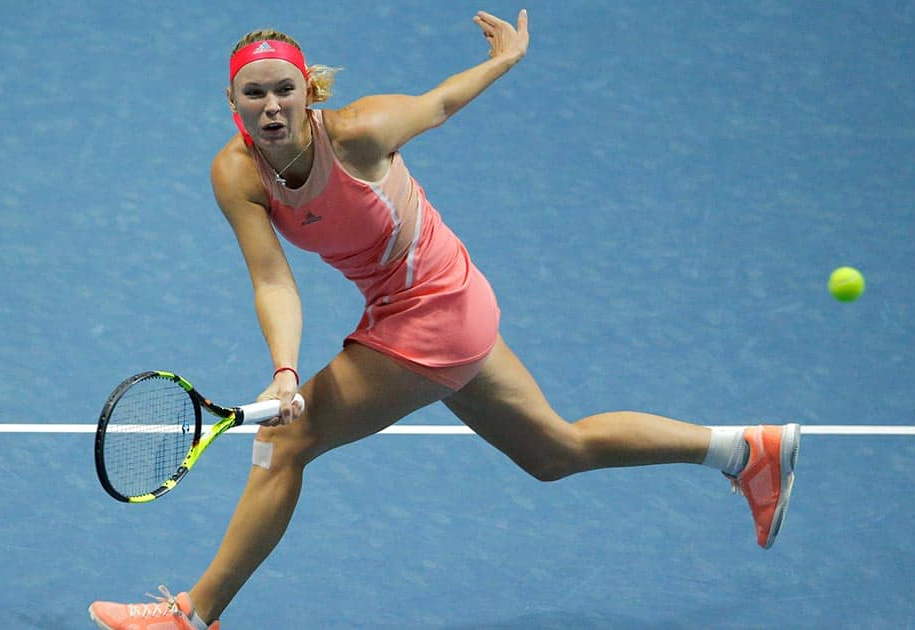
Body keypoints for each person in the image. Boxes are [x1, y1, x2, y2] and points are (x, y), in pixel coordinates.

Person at [89, 10, 799, 629]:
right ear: (232, 101)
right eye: (255, 94)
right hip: (439, 301)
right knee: (554, 452)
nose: (271, 107)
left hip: (434, 308)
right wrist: (284, 369)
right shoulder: (237, 174)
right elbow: (272, 279)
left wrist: (503, 60)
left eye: (285, 90)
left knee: (290, 441)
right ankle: (744, 451)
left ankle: (191, 616)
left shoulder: (359, 132)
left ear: (310, 92)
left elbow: (436, 105)